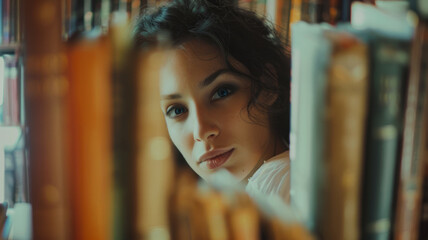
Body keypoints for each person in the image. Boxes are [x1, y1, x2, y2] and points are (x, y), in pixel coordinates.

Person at [133, 0, 291, 203]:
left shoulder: (281, 186)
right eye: (177, 110)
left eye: (222, 92)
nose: (201, 130)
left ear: (267, 83)